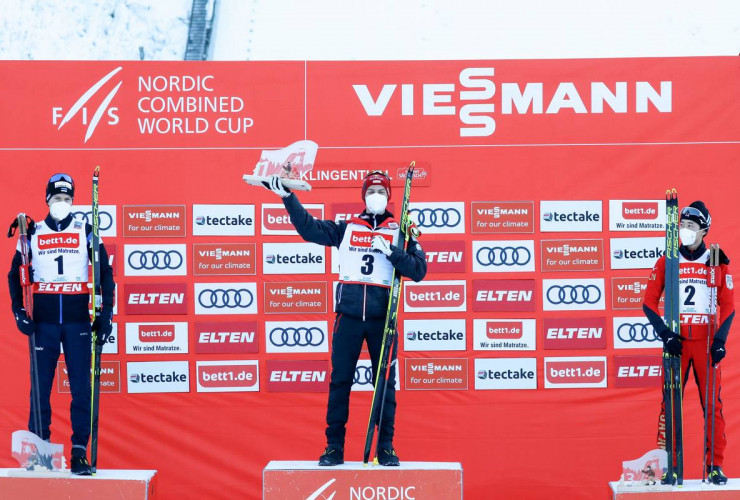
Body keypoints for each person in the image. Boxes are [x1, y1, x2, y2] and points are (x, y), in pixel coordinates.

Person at [264, 171, 427, 466]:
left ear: (389, 196)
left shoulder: (402, 230)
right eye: (370, 190)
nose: (375, 194)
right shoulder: (346, 227)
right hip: (349, 318)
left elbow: (418, 271)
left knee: (385, 384)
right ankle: (333, 447)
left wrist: (391, 251)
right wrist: (288, 197)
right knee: (340, 383)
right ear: (363, 196)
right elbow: (309, 229)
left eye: (381, 190)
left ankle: (386, 447)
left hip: (382, 319)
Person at [7, 173, 115, 475]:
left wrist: (105, 317)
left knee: (81, 388)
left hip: (78, 319)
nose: (62, 204)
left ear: (73, 201)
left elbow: (104, 273)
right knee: (39, 388)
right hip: (43, 323)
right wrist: (19, 312)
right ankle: (40, 450)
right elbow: (15, 275)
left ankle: (79, 451)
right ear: (47, 200)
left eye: (67, 199)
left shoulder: (87, 230)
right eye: (57, 199)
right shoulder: (33, 232)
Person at [642, 201, 735, 485]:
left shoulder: (717, 258)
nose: (686, 231)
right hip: (677, 342)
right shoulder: (668, 259)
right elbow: (648, 302)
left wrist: (720, 340)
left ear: (704, 230)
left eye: (692, 227)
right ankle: (670, 465)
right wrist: (664, 334)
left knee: (713, 406)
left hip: (706, 341)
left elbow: (728, 305)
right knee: (670, 405)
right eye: (682, 226)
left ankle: (714, 466)